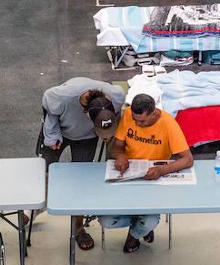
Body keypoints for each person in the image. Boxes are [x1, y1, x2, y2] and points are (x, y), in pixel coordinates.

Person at [37, 78, 126, 251]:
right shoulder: (61, 96)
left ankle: (78, 228)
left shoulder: (116, 95)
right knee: (42, 172)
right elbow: (48, 108)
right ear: (86, 114)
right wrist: (52, 134)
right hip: (61, 130)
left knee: (81, 183)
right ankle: (30, 212)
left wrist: (109, 135)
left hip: (86, 138)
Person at [104, 94, 194, 253]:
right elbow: (116, 147)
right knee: (106, 220)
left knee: (150, 221)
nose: (137, 124)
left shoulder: (168, 124)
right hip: (127, 175)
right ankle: (140, 226)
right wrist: (120, 155)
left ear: (154, 113)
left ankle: (134, 235)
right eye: (135, 119)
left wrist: (161, 170)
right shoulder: (128, 115)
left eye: (142, 121)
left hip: (154, 178)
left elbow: (187, 160)